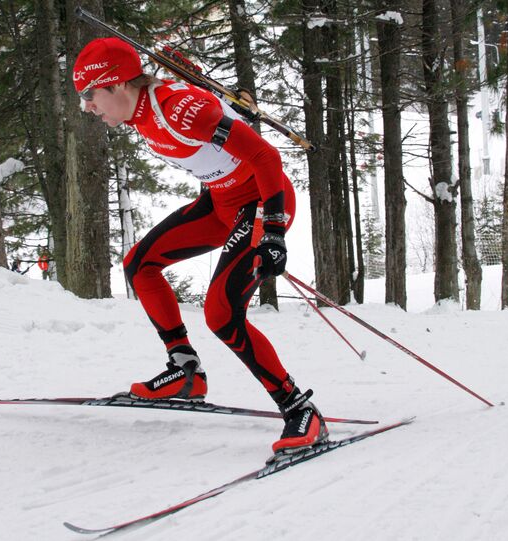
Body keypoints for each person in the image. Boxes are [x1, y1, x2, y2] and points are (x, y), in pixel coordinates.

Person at [73, 37, 328, 454]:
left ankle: (299, 408)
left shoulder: (178, 111)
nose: (87, 107)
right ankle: (185, 370)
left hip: (259, 202)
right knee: (140, 264)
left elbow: (266, 157)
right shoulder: (139, 106)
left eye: (91, 94)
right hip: (220, 201)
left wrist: (276, 233)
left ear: (119, 85)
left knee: (223, 314)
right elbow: (192, 82)